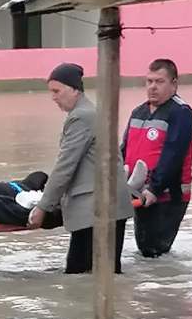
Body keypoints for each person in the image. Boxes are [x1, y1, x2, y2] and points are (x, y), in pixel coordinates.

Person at [26, 63, 134, 274]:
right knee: (106, 274)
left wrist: (43, 207)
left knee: (79, 276)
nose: (53, 98)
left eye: (57, 91)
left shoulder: (81, 117)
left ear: (74, 89)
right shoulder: (91, 112)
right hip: (108, 207)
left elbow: (64, 167)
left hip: (95, 212)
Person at [122, 58, 192, 258]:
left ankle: (165, 286)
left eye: (159, 82)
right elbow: (124, 150)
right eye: (149, 81)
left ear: (174, 84)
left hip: (166, 196)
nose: (152, 87)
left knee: (154, 252)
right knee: (145, 250)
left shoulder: (182, 114)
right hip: (138, 191)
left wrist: (155, 188)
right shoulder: (138, 112)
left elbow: (173, 155)